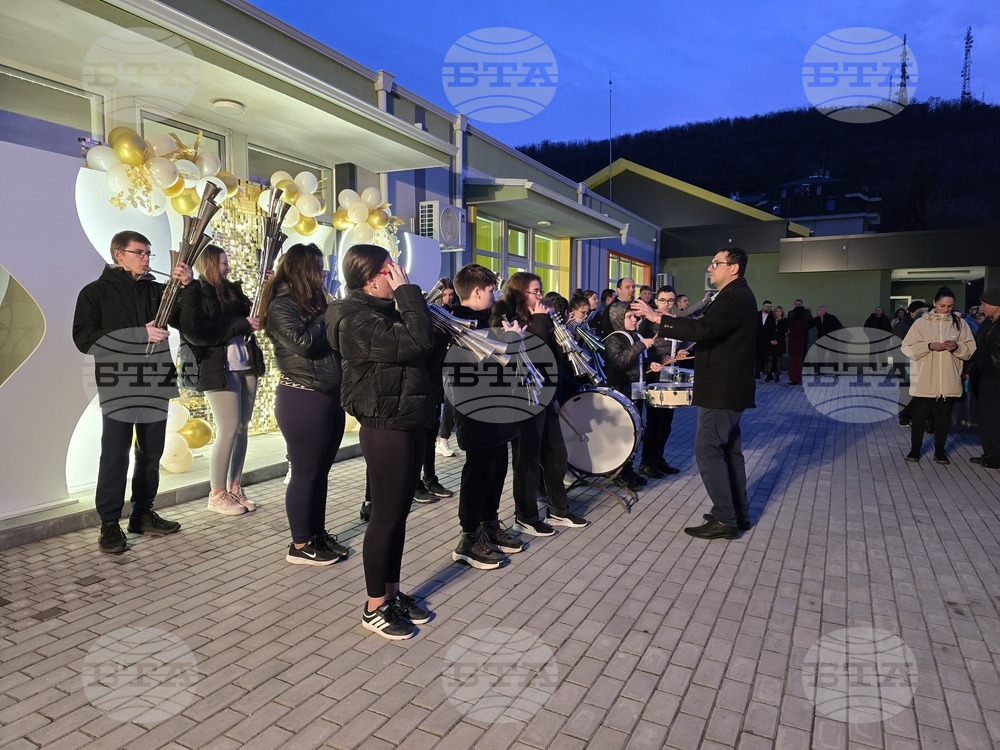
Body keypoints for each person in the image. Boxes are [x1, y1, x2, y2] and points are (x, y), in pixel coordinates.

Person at [327, 244, 436, 640]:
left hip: (405, 416)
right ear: (373, 278)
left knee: (399, 515)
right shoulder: (353, 317)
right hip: (385, 422)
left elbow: (424, 347)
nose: (400, 274)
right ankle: (374, 606)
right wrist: (410, 297)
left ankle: (391, 592)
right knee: (385, 517)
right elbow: (416, 342)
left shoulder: (379, 312)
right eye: (393, 269)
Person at [73, 230, 189, 553]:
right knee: (115, 454)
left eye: (148, 253)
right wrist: (139, 335)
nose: (146, 258)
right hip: (119, 384)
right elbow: (85, 338)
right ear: (117, 254)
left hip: (156, 382)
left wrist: (186, 287)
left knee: (151, 453)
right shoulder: (94, 293)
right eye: (139, 252)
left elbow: (189, 322)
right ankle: (109, 524)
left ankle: (141, 514)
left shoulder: (156, 290)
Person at [632, 247, 756, 540]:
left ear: (734, 268)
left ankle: (725, 518)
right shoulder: (738, 295)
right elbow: (717, 335)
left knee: (707, 450)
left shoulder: (733, 296)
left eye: (716, 263)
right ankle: (737, 513)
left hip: (722, 390)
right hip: (729, 388)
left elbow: (703, 327)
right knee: (728, 451)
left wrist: (657, 316)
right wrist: (695, 349)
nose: (710, 268)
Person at [260, 244, 349, 566]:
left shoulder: (315, 303)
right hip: (302, 397)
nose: (323, 273)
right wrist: (329, 312)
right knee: (306, 472)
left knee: (320, 472)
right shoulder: (281, 305)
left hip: (328, 397)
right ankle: (299, 544)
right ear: (301, 271)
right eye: (317, 267)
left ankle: (317, 534)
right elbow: (305, 344)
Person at [492, 272, 584, 536]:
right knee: (527, 460)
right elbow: (525, 352)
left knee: (557, 454)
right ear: (520, 292)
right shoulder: (504, 313)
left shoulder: (540, 316)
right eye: (535, 291)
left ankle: (558, 509)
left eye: (541, 291)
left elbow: (550, 361)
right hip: (521, 398)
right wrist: (542, 321)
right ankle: (526, 515)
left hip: (544, 396)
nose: (540, 297)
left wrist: (555, 397)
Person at [447, 263, 523, 569]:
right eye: (490, 290)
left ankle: (490, 523)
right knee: (478, 470)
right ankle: (469, 536)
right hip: (475, 409)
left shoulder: (486, 320)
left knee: (497, 465)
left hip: (498, 407)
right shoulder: (458, 323)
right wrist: (511, 343)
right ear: (477, 291)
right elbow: (483, 368)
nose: (494, 295)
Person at [179, 245, 264, 515]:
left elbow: (252, 316)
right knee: (227, 428)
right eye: (223, 263)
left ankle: (234, 487)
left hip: (246, 364)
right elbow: (200, 333)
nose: (228, 267)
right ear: (209, 265)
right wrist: (241, 324)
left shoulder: (232, 291)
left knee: (242, 428)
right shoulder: (196, 293)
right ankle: (216, 494)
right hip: (218, 368)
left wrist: (268, 286)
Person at [900, 286, 976, 464]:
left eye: (950, 306)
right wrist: (928, 346)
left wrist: (956, 348)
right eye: (942, 305)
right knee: (919, 417)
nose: (946, 309)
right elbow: (906, 347)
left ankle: (940, 451)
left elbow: (970, 349)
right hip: (925, 378)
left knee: (943, 418)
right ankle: (915, 449)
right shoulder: (921, 323)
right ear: (934, 303)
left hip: (948, 379)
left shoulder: (960, 323)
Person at [602, 302, 668, 486]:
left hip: (636, 392)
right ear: (617, 318)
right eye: (629, 317)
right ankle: (618, 473)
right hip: (621, 393)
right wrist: (641, 345)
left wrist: (651, 364)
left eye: (635, 316)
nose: (634, 320)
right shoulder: (613, 339)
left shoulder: (636, 335)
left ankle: (628, 469)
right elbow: (620, 362)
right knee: (622, 434)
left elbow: (639, 362)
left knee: (634, 434)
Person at [414, 278, 456, 504]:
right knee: (421, 438)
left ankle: (430, 478)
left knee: (429, 436)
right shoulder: (422, 322)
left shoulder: (445, 316)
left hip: (435, 385)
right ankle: (417, 483)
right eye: (444, 295)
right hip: (422, 385)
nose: (447, 299)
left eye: (450, 295)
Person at [971, 288, 1000, 469]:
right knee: (985, 417)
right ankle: (988, 453)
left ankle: (996, 457)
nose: (982, 308)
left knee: (996, 418)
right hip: (984, 377)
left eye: (985, 304)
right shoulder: (987, 324)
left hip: (997, 378)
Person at [786, 299, 811, 385]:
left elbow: (796, 331)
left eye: (799, 304)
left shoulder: (800, 321)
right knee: (796, 360)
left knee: (797, 360)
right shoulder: (793, 315)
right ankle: (796, 376)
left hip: (796, 342)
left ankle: (796, 377)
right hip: (797, 341)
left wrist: (789, 334)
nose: (798, 305)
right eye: (796, 304)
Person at [766, 306, 788, 383]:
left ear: (782, 312)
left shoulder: (784, 321)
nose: (778, 313)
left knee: (778, 358)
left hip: (780, 343)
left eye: (780, 311)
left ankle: (777, 376)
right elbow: (768, 331)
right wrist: (770, 340)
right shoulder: (771, 320)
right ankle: (768, 375)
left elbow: (784, 332)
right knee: (770, 358)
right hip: (771, 342)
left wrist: (777, 340)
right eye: (777, 311)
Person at [756, 300, 775, 380]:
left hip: (769, 340)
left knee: (769, 357)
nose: (769, 308)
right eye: (767, 306)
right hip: (758, 339)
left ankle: (769, 374)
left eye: (770, 307)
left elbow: (774, 328)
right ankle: (757, 373)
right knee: (757, 357)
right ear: (763, 306)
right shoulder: (757, 314)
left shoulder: (773, 315)